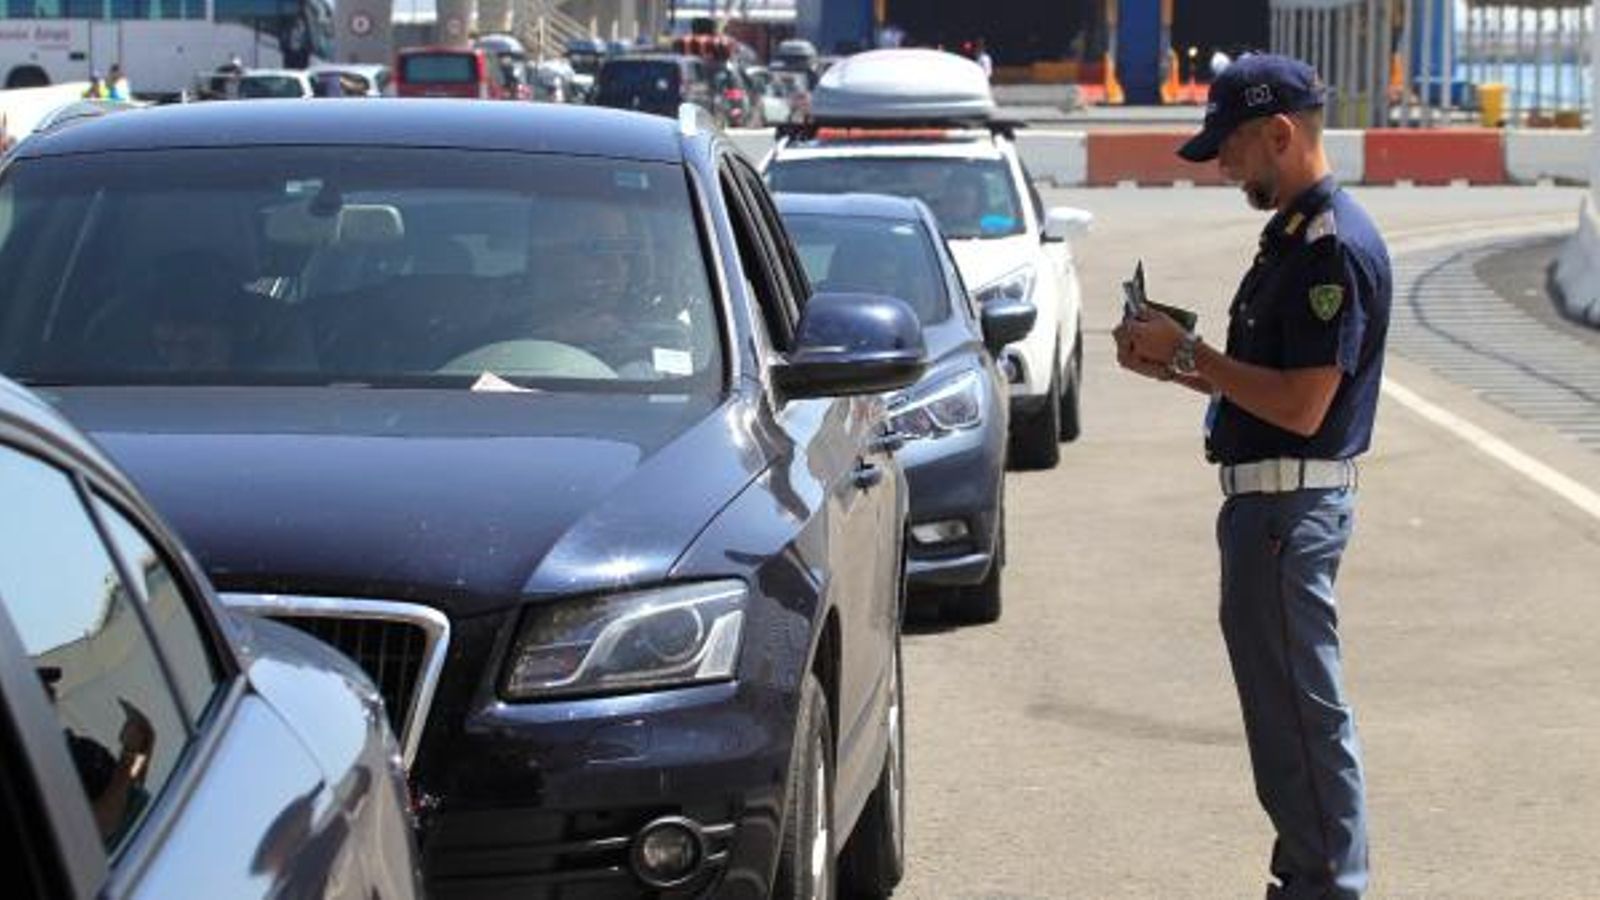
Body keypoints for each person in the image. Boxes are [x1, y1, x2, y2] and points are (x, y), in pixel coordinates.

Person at [1112, 53, 1391, 900]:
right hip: (1270, 509)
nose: (1222, 168)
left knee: (1302, 719)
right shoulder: (1292, 239)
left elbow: (1304, 406)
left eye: (1230, 149)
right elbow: (1266, 388)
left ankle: (1327, 886)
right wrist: (1176, 361)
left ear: (1279, 134)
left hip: (1286, 509)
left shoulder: (1326, 251)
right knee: (1284, 720)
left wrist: (1193, 354)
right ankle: (1309, 873)